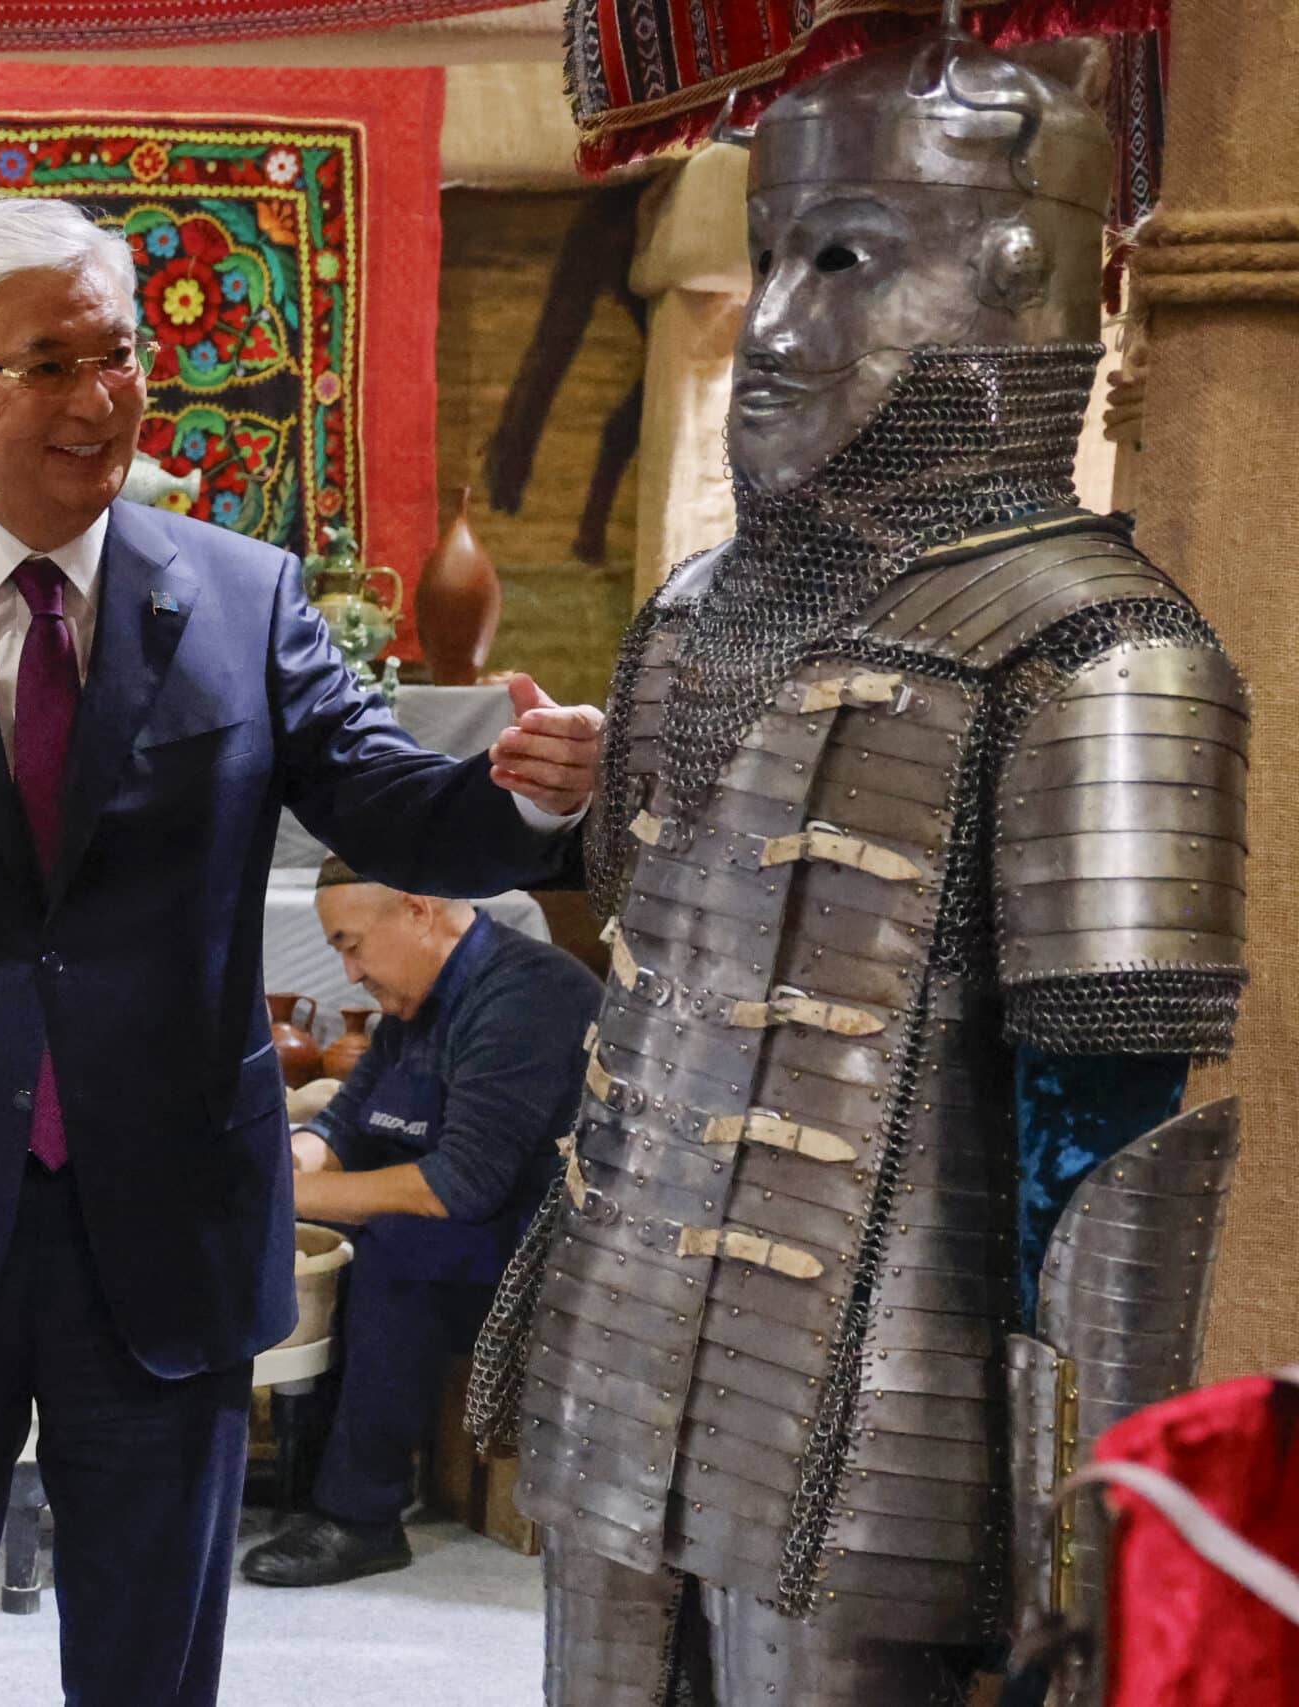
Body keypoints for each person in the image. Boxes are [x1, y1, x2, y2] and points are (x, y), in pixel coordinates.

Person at [0, 195, 605, 1707]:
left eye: (119, 351)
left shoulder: (242, 595)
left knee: (149, 1656)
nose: (101, 393)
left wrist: (526, 798)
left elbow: (382, 795)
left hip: (164, 1214)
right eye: (48, 358)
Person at [481, 32, 1251, 1704]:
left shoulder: (1106, 654)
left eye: (844, 260)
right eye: (771, 257)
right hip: (620, 1359)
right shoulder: (695, 617)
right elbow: (665, 981)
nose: (774, 325)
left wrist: (1099, 1528)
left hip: (889, 1413)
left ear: (1015, 271)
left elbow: (1113, 1152)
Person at [239, 859, 600, 1588]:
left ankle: (361, 1514)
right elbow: (343, 1124)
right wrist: (281, 1162)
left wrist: (276, 1194)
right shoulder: (416, 1002)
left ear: (417, 910)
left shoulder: (531, 994)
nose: (347, 970)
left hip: (554, 1255)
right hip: (472, 1226)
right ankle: (301, 1472)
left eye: (351, 943)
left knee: (403, 1243)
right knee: (346, 1235)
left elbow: (459, 1185)